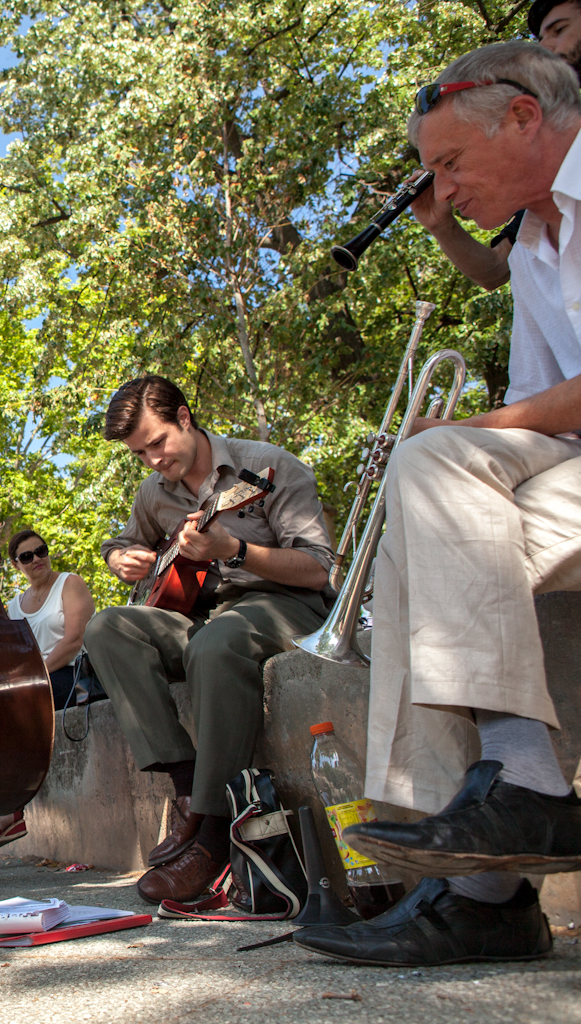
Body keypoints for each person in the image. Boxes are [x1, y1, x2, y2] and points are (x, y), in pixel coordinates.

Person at [293, 41, 581, 968]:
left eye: (451, 163)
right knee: (424, 507)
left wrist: (459, 440)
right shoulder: (537, 244)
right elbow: (548, 427)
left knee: (441, 467)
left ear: (525, 118)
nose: (444, 190)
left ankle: (488, 880)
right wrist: (445, 464)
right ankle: (484, 857)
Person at [82, 375, 333, 906]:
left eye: (157, 443)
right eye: (138, 453)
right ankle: (188, 786)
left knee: (216, 643)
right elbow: (125, 541)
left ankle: (214, 835)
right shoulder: (154, 492)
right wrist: (119, 558)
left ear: (185, 418)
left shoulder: (265, 465)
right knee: (106, 628)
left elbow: (317, 570)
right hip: (203, 615)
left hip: (285, 602)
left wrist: (233, 549)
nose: (151, 459)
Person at [406, 1, 581, 292]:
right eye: (539, 39)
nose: (546, 47)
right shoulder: (538, 224)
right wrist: (441, 226)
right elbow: (499, 269)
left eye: (560, 29)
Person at [0, 530, 95, 851]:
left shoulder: (69, 584)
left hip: (75, 677)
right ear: (17, 565)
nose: (37, 559)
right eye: (26, 556)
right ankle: (4, 806)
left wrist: (37, 673)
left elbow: (73, 641)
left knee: (12, 708)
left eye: (40, 551)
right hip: (37, 683)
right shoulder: (14, 606)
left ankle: (11, 811)